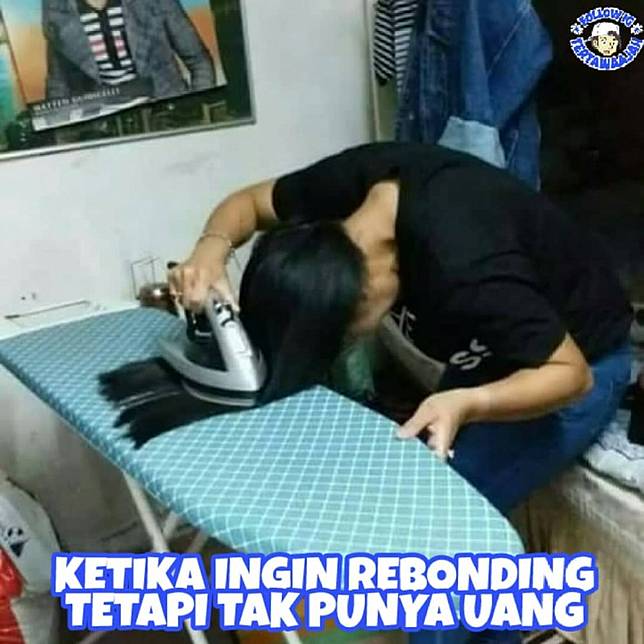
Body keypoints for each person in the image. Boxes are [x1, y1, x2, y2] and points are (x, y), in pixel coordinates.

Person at [170, 142, 632, 642]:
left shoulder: (464, 263)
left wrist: (468, 401)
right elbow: (247, 204)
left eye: (345, 339)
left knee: (434, 541)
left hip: (578, 364)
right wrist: (211, 250)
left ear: (367, 294)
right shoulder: (345, 192)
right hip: (494, 353)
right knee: (429, 518)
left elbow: (571, 375)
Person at [43, 0, 216, 101]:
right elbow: (58, 85)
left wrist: (196, 107)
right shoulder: (56, 8)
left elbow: (199, 61)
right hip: (105, 130)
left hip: (168, 113)